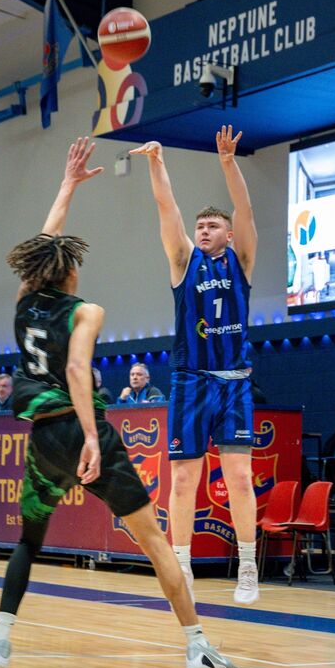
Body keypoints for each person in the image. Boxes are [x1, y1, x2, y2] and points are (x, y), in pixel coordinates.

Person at [0, 136, 237, 668]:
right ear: (70, 272)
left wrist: (67, 184)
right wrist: (92, 436)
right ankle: (197, 645)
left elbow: (46, 238)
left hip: (42, 440)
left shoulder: (23, 302)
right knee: (153, 538)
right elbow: (75, 372)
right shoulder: (86, 311)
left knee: (27, 542)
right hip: (82, 434)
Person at [130, 125, 259, 606]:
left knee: (240, 477)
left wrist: (229, 163)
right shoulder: (185, 261)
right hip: (189, 381)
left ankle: (247, 566)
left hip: (235, 383)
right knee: (184, 479)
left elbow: (245, 210)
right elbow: (169, 210)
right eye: (200, 226)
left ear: (227, 234)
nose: (203, 231)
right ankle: (179, 564)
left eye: (211, 227)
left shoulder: (241, 260)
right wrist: (156, 163)